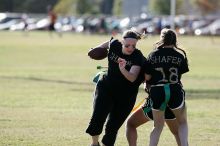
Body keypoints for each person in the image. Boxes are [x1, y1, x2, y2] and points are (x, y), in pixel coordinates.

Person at [86, 29, 145, 146]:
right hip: (106, 88)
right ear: (121, 41)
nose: (130, 48)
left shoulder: (137, 56)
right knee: (97, 117)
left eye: (134, 45)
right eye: (127, 45)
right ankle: (94, 143)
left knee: (112, 127)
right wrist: (96, 50)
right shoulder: (114, 44)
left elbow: (132, 78)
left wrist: (122, 68)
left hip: (126, 95)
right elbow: (104, 45)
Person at [144, 28, 189, 146]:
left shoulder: (153, 54)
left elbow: (147, 78)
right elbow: (180, 74)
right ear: (175, 40)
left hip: (157, 90)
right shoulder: (180, 55)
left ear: (162, 39)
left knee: (158, 126)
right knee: (182, 123)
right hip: (174, 89)